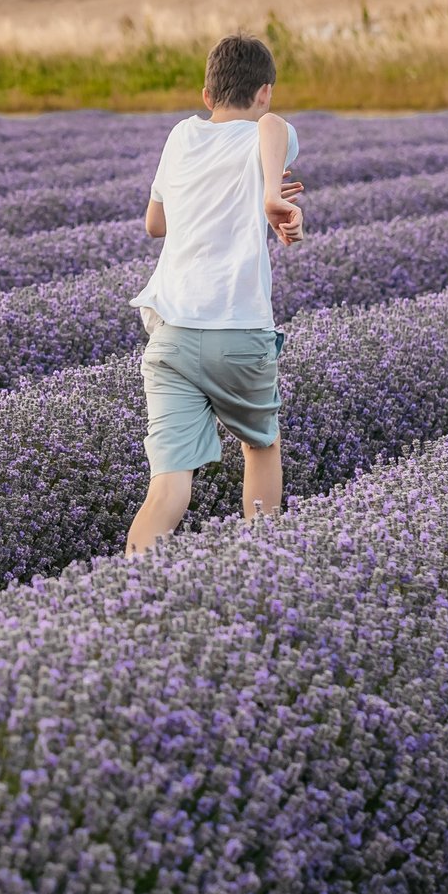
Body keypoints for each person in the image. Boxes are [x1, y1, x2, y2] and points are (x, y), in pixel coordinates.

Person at [125, 33, 303, 555]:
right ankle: (258, 562)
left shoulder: (181, 136)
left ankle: (127, 593)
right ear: (265, 91)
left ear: (206, 95)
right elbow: (271, 126)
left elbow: (153, 223)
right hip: (238, 330)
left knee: (168, 484)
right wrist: (269, 192)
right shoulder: (269, 133)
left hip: (172, 333)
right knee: (261, 445)